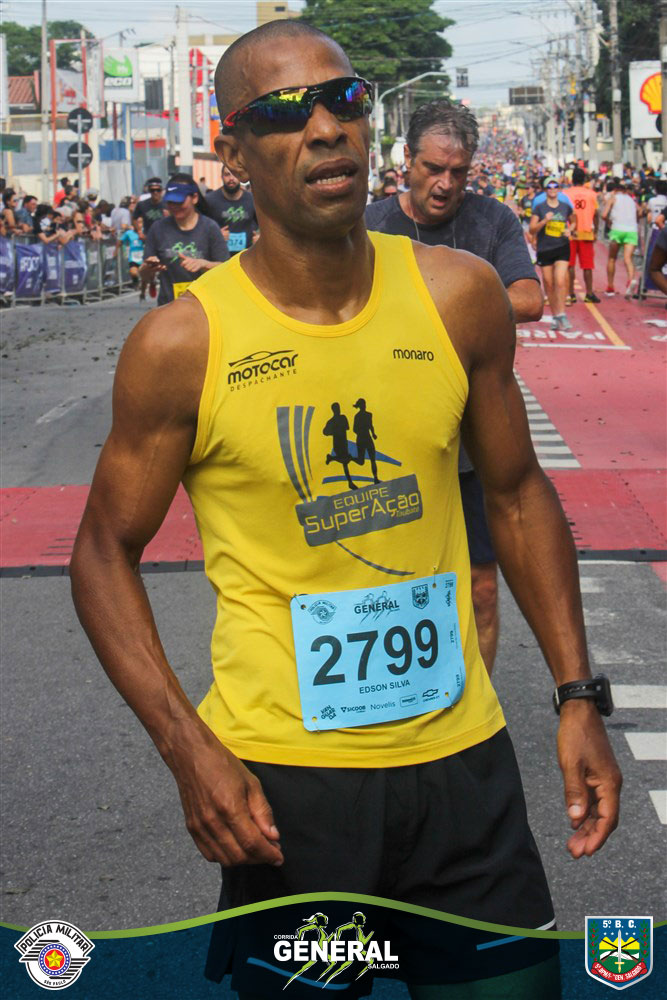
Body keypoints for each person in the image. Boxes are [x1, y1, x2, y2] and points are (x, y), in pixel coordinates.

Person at [70, 20, 621, 1000]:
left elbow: (514, 493)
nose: (324, 126)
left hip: (462, 767)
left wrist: (577, 695)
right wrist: (188, 749)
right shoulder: (183, 345)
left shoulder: (458, 297)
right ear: (234, 153)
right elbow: (102, 551)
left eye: (345, 99)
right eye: (285, 111)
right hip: (288, 791)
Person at [366, 99, 543, 674]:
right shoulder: (366, 225)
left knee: (481, 587)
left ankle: (476, 706)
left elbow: (529, 298)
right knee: (385, 582)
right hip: (386, 438)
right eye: (432, 168)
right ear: (406, 161)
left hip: (474, 436)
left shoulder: (493, 221)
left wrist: (439, 312)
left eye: (458, 172)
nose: (444, 184)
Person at [139, 173, 228, 305]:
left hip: (203, 306)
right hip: (169, 306)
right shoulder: (158, 229)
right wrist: (148, 268)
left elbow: (225, 269)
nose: (174, 206)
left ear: (194, 198)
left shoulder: (210, 228)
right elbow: (144, 275)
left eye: (179, 202)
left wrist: (203, 264)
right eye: (170, 202)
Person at [529, 177, 577, 332]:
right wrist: (544, 221)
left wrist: (570, 230)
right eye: (549, 187)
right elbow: (532, 229)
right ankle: (556, 316)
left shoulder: (565, 206)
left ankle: (562, 314)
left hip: (562, 247)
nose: (552, 189)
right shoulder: (540, 207)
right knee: (549, 283)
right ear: (545, 190)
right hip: (545, 249)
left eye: (555, 186)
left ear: (558, 189)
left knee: (560, 280)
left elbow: (574, 220)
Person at [564, 167, 600, 303]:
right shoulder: (592, 194)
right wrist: (596, 231)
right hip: (586, 233)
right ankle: (589, 294)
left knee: (570, 265)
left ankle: (571, 293)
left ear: (572, 179)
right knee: (587, 266)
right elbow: (596, 214)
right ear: (584, 179)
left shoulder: (565, 194)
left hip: (570, 233)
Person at [207, 164, 258, 254]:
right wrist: (216, 235)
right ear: (222, 177)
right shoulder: (210, 200)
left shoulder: (252, 200)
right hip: (220, 255)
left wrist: (259, 237)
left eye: (235, 174)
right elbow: (201, 228)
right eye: (227, 174)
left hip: (246, 255)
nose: (231, 178)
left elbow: (264, 225)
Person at [602, 178, 639, 297]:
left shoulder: (613, 198)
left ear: (616, 190)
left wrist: (609, 222)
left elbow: (604, 215)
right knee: (628, 258)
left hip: (617, 229)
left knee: (612, 258)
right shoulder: (632, 200)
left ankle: (610, 287)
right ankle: (631, 280)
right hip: (631, 230)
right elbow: (640, 212)